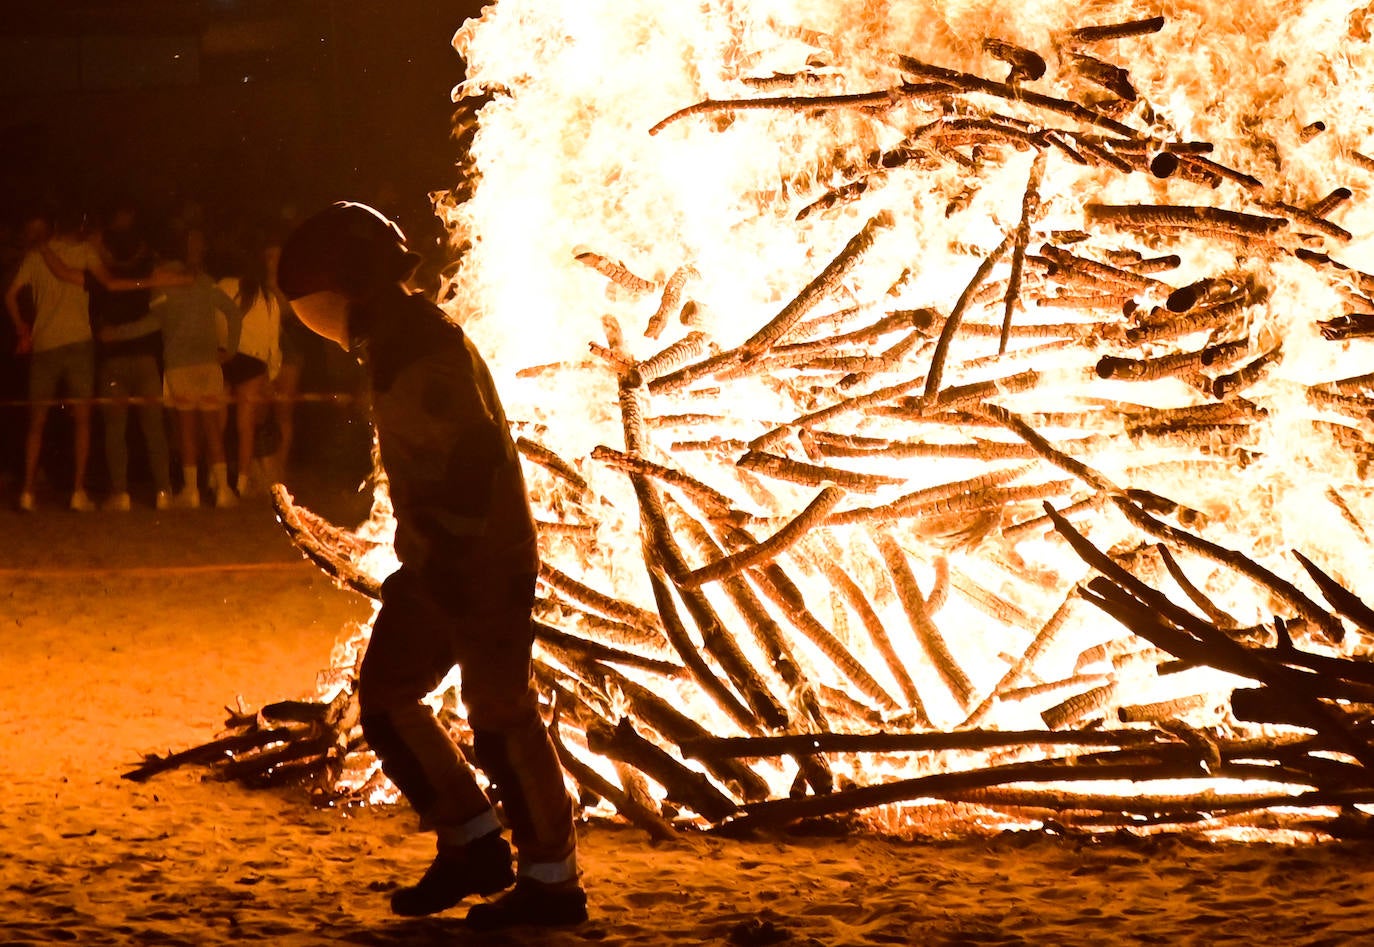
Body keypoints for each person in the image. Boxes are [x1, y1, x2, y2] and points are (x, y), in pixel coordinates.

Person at [277, 202, 585, 930]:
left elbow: (467, 465)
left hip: (477, 559)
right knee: (386, 696)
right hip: (446, 557)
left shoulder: (419, 346)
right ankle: (472, 842)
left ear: (346, 283)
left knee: (503, 714)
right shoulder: (399, 338)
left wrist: (444, 562)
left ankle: (552, 879)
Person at [99, 228, 243, 508]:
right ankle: (224, 489)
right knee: (212, 426)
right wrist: (231, 349)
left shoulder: (162, 285)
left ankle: (191, 491)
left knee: (187, 428)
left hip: (180, 363)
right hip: (209, 362)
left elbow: (152, 323)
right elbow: (233, 313)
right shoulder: (203, 281)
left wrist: (116, 333)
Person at [4, 208, 99, 512]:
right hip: (78, 342)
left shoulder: (35, 256)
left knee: (37, 422)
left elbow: (9, 295)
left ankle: (28, 492)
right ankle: (78, 491)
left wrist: (22, 327)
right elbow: (106, 282)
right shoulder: (85, 252)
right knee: (82, 420)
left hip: (45, 344)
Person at [86, 201, 175, 510]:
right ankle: (161, 492)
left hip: (119, 361)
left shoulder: (101, 276)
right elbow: (156, 318)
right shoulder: (144, 272)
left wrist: (115, 334)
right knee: (150, 429)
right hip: (142, 360)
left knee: (119, 430)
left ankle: (123, 493)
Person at [216, 234, 285, 497]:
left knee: (219, 423)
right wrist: (272, 373)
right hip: (254, 362)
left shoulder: (224, 285)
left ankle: (217, 479)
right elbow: (272, 340)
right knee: (246, 428)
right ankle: (243, 482)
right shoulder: (268, 297)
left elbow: (215, 322)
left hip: (226, 356)